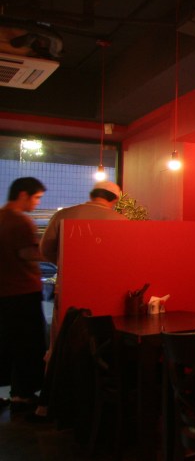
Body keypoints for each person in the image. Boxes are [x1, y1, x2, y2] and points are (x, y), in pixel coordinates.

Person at [32, 180, 125, 422]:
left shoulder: (64, 215)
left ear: (93, 194)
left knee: (60, 343)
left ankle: (52, 405)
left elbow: (44, 250)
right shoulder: (121, 221)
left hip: (69, 291)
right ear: (114, 200)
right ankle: (93, 403)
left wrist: (64, 261)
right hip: (106, 293)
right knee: (100, 345)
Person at [0, 177, 48, 413]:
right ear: (23, 195)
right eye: (36, 197)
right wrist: (53, 253)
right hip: (22, 292)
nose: (37, 203)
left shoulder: (1, 217)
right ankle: (23, 395)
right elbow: (27, 253)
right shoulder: (20, 221)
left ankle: (12, 392)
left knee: (5, 343)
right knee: (27, 345)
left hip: (4, 292)